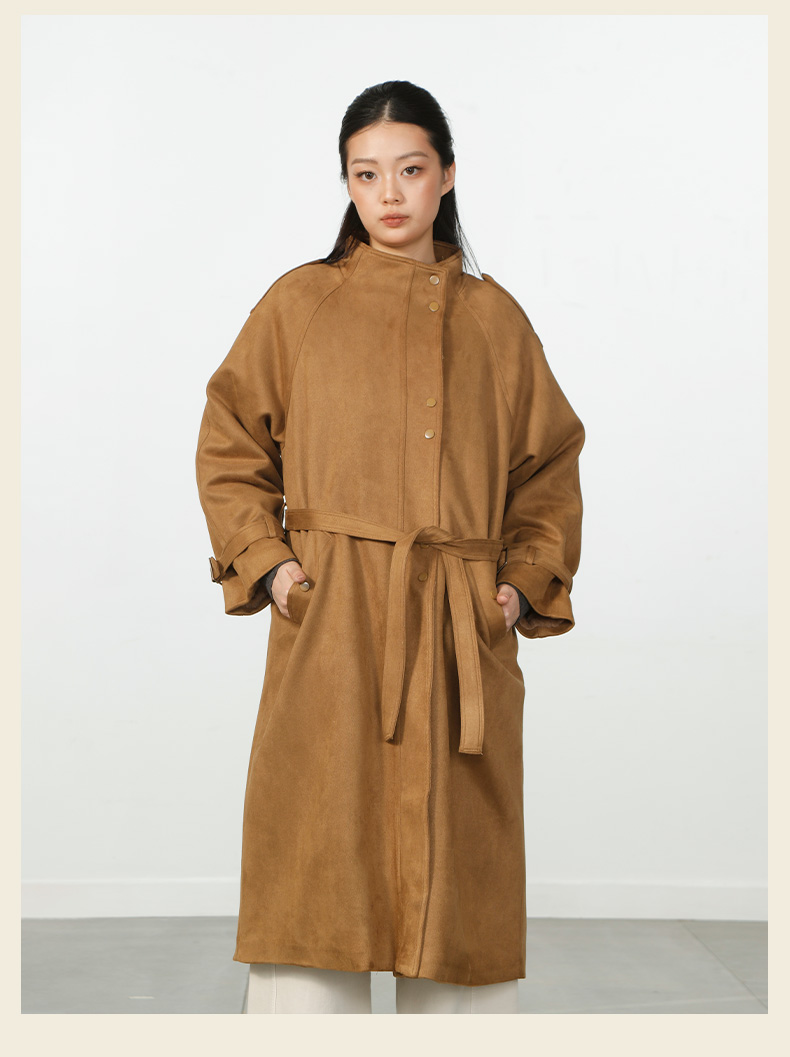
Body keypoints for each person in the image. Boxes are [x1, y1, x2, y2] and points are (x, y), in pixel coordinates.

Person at [195, 80, 584, 1015]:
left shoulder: (496, 320)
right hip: (331, 626)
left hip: (456, 635)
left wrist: (515, 588)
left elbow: (549, 467)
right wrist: (275, 570)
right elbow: (230, 443)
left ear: (446, 175)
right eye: (366, 174)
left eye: (410, 170)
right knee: (313, 887)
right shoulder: (299, 304)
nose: (390, 193)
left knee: (457, 913)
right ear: (346, 184)